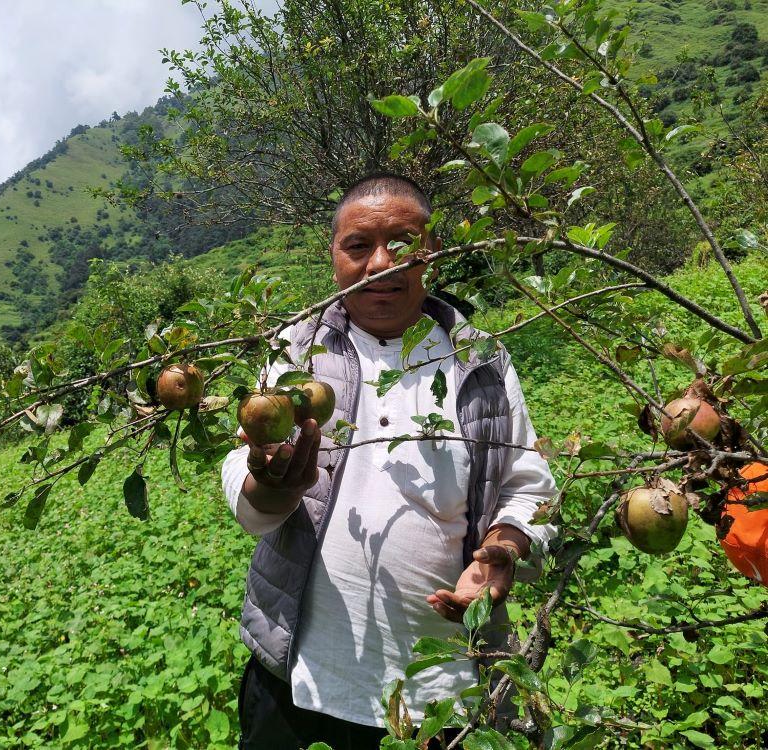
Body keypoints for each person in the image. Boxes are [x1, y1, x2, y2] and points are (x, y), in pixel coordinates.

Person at [221, 173, 558, 750]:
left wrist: (504, 547)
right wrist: (270, 486)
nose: (381, 263)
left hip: (444, 691)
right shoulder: (295, 350)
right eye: (358, 245)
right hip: (298, 680)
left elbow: (528, 487)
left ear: (433, 252)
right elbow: (244, 476)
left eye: (402, 244)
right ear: (334, 256)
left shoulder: (482, 360)